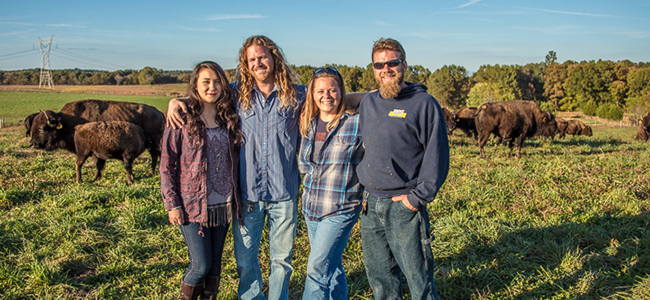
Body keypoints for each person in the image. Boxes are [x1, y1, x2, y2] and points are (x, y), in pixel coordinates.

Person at [166, 36, 306, 300]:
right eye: (251, 59)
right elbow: (206, 93)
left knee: (282, 262)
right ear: (245, 64)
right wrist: (176, 101)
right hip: (247, 195)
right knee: (245, 262)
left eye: (262, 57)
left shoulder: (297, 95)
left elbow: (331, 95)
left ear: (274, 58)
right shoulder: (236, 94)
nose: (258, 63)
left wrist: (372, 98)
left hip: (285, 193)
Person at [356, 38, 450, 300]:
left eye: (392, 63)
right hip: (371, 206)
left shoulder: (424, 104)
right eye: (379, 64)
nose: (386, 69)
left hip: (404, 206)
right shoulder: (368, 103)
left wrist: (415, 200)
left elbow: (437, 157)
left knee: (418, 279)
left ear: (404, 64)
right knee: (380, 280)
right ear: (373, 69)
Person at [159, 61, 243, 300]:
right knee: (200, 266)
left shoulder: (230, 117)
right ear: (195, 84)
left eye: (217, 81)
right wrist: (172, 204)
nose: (212, 87)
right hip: (192, 206)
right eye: (206, 81)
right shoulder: (181, 119)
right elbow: (167, 165)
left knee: (215, 265)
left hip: (223, 205)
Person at [297, 67, 364, 300]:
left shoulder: (357, 122)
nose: (326, 95)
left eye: (332, 90)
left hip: (340, 207)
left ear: (341, 91)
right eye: (320, 90)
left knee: (316, 271)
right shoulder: (307, 123)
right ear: (312, 94)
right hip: (311, 207)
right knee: (332, 268)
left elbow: (380, 98)